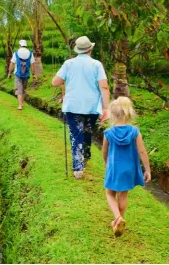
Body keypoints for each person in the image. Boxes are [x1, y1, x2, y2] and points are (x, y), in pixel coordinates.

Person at [52, 36, 110, 180]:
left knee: (76, 135)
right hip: (91, 106)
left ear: (78, 50)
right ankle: (85, 157)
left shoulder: (69, 63)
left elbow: (55, 82)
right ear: (91, 49)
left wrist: (66, 78)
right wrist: (106, 108)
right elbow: (104, 87)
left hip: (73, 106)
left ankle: (78, 168)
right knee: (87, 132)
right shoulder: (97, 65)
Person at [102, 96, 151, 237]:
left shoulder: (108, 133)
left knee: (110, 193)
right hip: (129, 169)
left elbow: (104, 151)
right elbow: (142, 151)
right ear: (129, 114)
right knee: (123, 194)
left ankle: (117, 218)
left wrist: (106, 162)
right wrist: (147, 169)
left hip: (114, 167)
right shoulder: (134, 132)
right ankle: (119, 221)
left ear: (112, 114)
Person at [8, 39, 36, 110]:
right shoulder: (30, 53)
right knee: (23, 89)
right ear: (26, 45)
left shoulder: (16, 53)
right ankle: (22, 103)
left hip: (18, 74)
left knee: (19, 89)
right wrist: (33, 74)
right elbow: (32, 65)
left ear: (20, 45)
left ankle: (20, 105)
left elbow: (12, 64)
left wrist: (9, 73)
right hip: (26, 74)